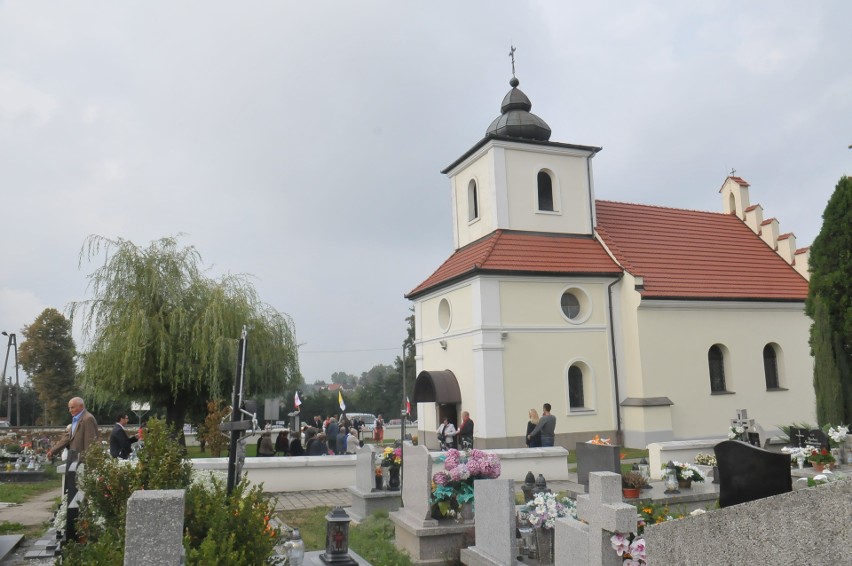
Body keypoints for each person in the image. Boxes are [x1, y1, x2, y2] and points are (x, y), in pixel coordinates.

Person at [47, 397, 99, 463]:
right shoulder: (76, 419)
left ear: (81, 406)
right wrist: (53, 451)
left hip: (82, 460)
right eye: (69, 408)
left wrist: (88, 462)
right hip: (73, 458)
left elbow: (90, 441)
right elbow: (67, 438)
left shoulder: (88, 419)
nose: (70, 410)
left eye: (72, 407)